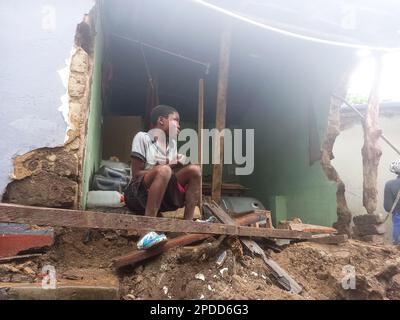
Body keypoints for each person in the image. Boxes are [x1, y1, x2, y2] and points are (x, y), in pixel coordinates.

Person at [124, 105, 201, 249]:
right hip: (137, 193)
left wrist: (174, 163)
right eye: (176, 120)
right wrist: (167, 165)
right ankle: (146, 232)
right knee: (164, 170)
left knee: (195, 170)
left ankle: (186, 227)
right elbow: (136, 174)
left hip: (161, 194)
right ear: (161, 120)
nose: (179, 125)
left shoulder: (171, 145)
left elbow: (167, 173)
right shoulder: (143, 138)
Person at [384, 159, 400, 245]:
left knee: (398, 225)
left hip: (397, 213)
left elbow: (387, 207)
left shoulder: (389, 184)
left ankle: (397, 244)